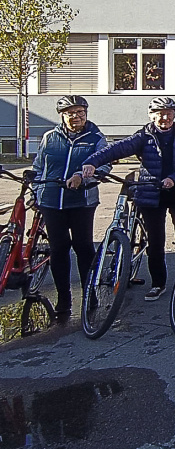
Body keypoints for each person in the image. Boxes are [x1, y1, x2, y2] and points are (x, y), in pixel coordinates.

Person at [82, 97, 175, 301]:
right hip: (151, 194)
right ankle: (158, 284)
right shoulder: (143, 136)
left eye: (168, 113)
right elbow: (116, 149)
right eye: (159, 113)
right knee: (155, 242)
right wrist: (92, 161)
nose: (164, 117)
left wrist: (174, 179)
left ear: (174, 114)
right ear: (151, 115)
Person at [33, 95, 110, 320]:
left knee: (84, 247)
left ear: (86, 113)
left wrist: (83, 176)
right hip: (52, 201)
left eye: (80, 112)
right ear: (61, 115)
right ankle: (64, 298)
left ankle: (89, 295)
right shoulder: (49, 137)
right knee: (58, 249)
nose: (76, 116)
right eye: (70, 113)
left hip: (82, 201)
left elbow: (104, 163)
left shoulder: (96, 137)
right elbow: (39, 166)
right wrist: (37, 190)